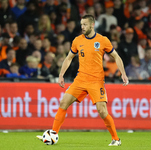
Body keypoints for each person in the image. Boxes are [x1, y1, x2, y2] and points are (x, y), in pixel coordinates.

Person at [36, 14, 129, 146]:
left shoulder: (103, 40)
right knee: (63, 103)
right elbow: (68, 58)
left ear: (92, 25)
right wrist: (61, 74)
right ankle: (53, 133)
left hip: (96, 81)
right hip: (80, 79)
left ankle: (116, 139)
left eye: (85, 25)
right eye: (81, 25)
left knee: (102, 111)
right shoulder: (77, 40)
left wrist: (123, 73)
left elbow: (116, 56)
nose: (82, 27)